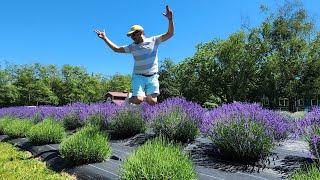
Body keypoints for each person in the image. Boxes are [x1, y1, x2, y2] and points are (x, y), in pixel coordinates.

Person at [95, 5, 174, 105]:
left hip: (152, 76)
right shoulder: (132, 47)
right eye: (130, 35)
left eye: (133, 34)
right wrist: (105, 38)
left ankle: (140, 99)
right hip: (138, 76)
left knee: (152, 101)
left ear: (140, 32)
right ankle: (129, 100)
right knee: (138, 100)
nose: (131, 37)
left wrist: (170, 19)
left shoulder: (154, 40)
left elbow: (170, 34)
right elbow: (116, 49)